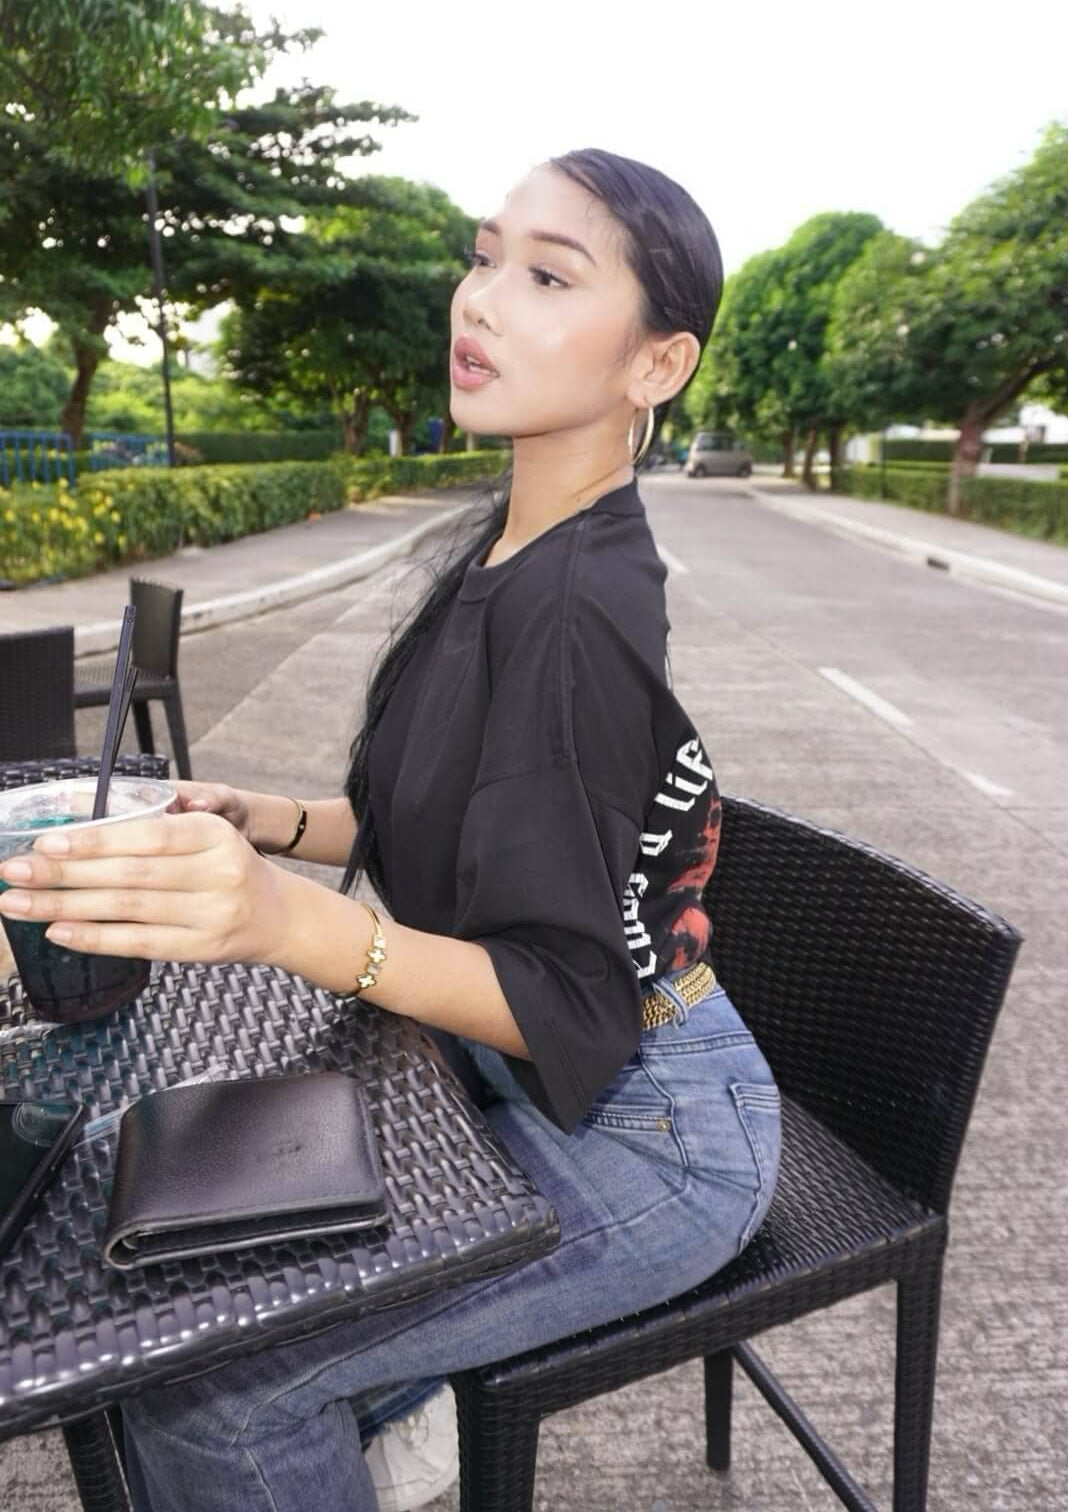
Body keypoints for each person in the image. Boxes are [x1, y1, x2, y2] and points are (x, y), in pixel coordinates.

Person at [0, 148, 782, 1512]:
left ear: (657, 365)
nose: (480, 299)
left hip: (648, 1132)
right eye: (484, 257)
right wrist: (271, 820)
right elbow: (453, 812)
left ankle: (371, 1423)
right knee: (166, 1290)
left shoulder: (581, 619)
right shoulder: (507, 545)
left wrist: (284, 922)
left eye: (548, 278)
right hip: (491, 1074)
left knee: (218, 1389)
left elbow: (564, 1001)